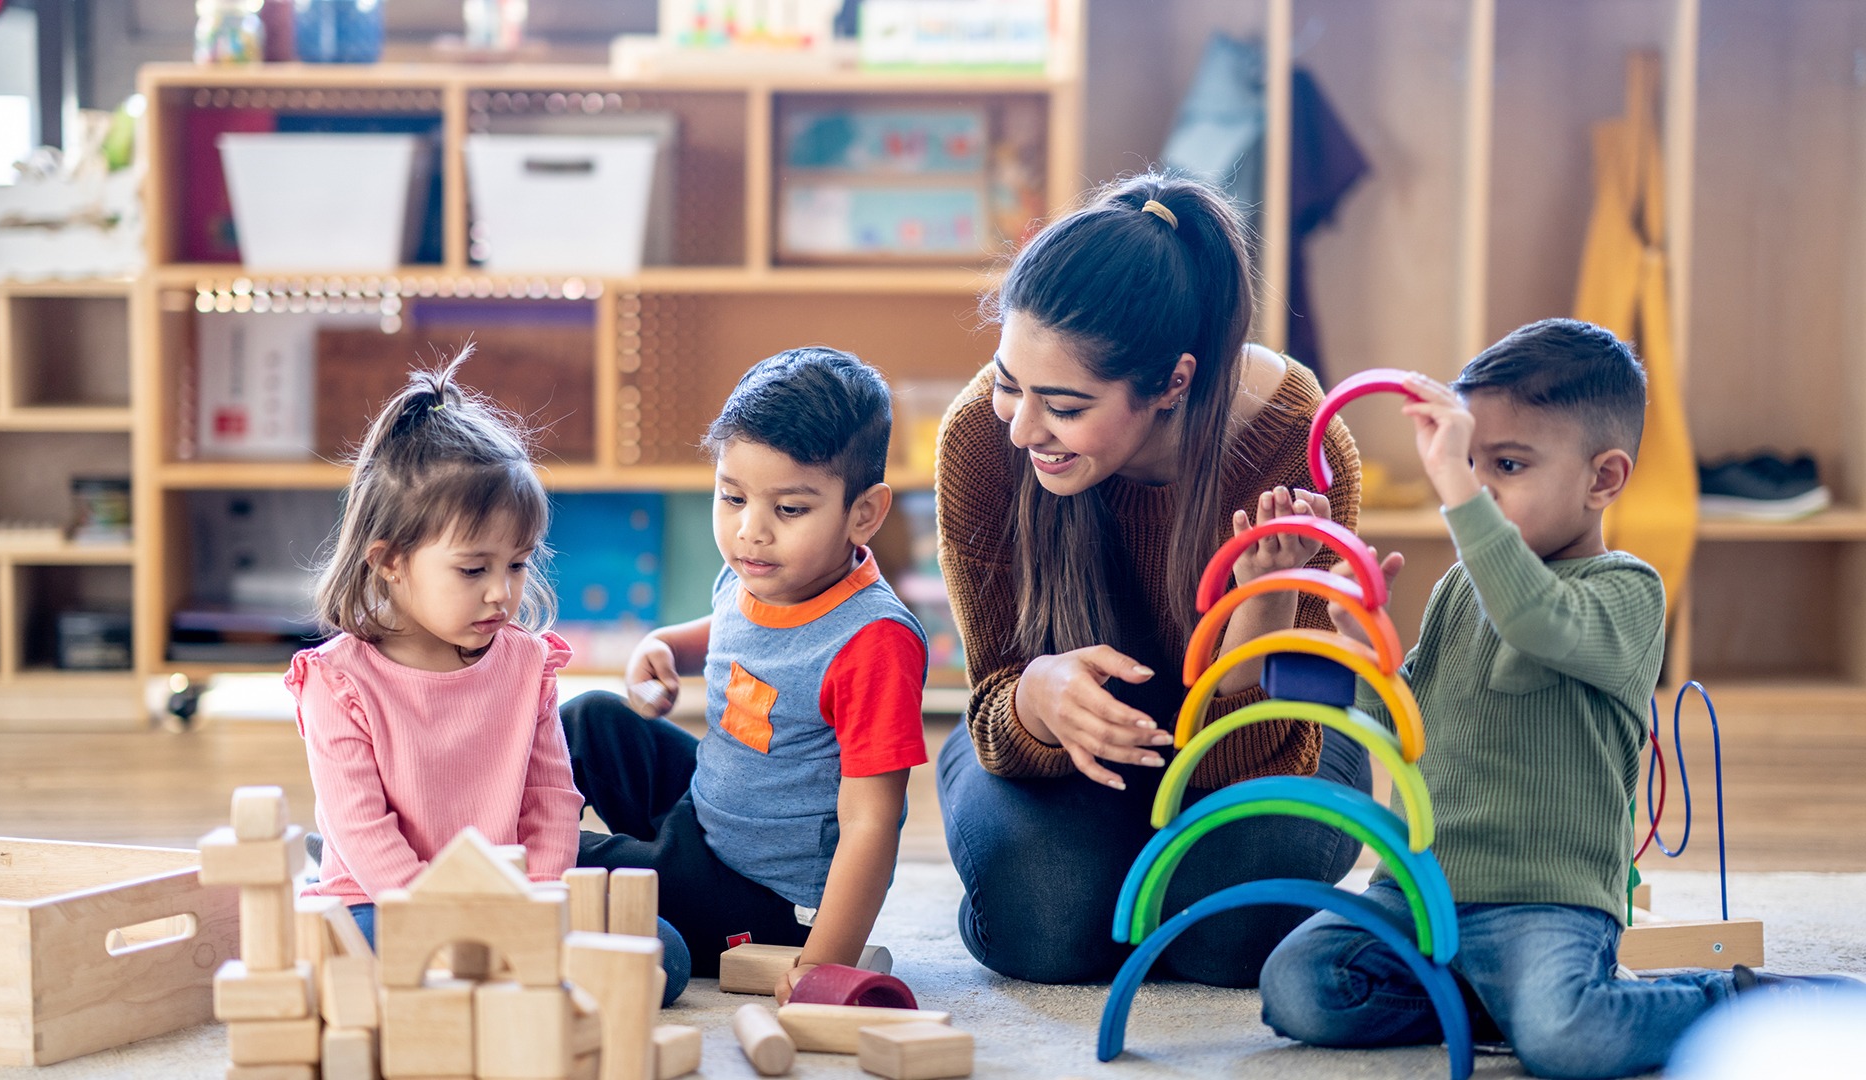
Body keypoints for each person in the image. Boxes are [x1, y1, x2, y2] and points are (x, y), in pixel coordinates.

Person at [1258, 318, 1776, 1078]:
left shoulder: (1626, 590)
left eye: (1505, 463)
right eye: (1468, 462)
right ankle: (1491, 1003)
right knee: (1298, 989)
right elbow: (1409, 737)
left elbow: (1537, 619)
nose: (1473, 484)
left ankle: (1729, 1005)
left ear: (1603, 479)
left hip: (1545, 904)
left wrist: (1463, 495)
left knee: (1569, 1040)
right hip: (1418, 891)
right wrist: (1370, 662)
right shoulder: (1462, 588)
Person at [934, 171, 1371, 987]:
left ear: (1174, 381)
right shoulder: (980, 441)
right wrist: (1035, 695)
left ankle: (1149, 873)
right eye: (1006, 381)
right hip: (1064, 746)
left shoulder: (1297, 449)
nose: (1023, 425)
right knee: (1048, 929)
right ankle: (1101, 868)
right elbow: (991, 692)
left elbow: (1244, 761)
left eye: (1063, 405)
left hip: (1273, 735)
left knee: (1226, 935)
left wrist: (1265, 601)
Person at [285, 349, 689, 1003]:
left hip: (513, 905)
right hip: (389, 906)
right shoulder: (339, 682)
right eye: (474, 571)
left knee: (664, 956)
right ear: (389, 562)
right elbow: (364, 832)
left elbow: (552, 801)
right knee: (380, 968)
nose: (502, 594)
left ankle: (497, 972)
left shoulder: (526, 664)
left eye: (518, 564)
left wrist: (539, 906)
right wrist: (450, 922)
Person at [562, 347, 929, 1003]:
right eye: (732, 497)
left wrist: (822, 964)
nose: (750, 531)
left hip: (755, 895)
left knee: (573, 862)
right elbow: (732, 634)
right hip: (708, 807)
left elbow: (874, 822)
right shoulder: (757, 571)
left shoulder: (873, 643)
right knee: (590, 719)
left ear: (864, 514)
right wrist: (664, 647)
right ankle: (456, 815)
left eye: (789, 510)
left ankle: (470, 864)